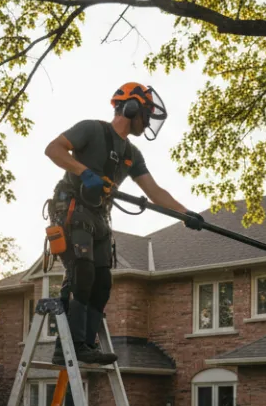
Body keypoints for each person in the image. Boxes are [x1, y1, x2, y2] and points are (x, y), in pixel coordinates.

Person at [43, 82, 201, 364]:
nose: (148, 121)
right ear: (131, 108)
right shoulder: (91, 129)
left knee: (102, 283)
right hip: (72, 208)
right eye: (147, 114)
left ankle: (86, 345)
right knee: (82, 271)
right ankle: (68, 345)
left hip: (100, 216)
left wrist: (185, 213)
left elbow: (155, 193)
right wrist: (84, 172)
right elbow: (53, 149)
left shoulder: (132, 154)